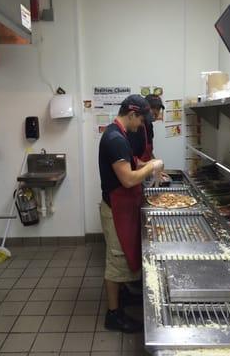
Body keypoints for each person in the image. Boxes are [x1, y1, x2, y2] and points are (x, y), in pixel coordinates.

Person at [98, 94, 164, 333]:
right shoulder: (115, 138)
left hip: (123, 207)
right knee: (115, 262)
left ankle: (123, 295)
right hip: (115, 208)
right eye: (140, 121)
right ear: (132, 114)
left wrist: (147, 164)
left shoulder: (120, 135)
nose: (141, 126)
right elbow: (127, 179)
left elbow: (131, 161)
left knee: (122, 256)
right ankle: (113, 315)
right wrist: (151, 167)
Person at [128, 94, 165, 162]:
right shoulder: (136, 127)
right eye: (152, 114)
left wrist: (155, 162)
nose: (154, 117)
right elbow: (131, 157)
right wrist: (149, 166)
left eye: (156, 114)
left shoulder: (149, 125)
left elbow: (148, 152)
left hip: (145, 167)